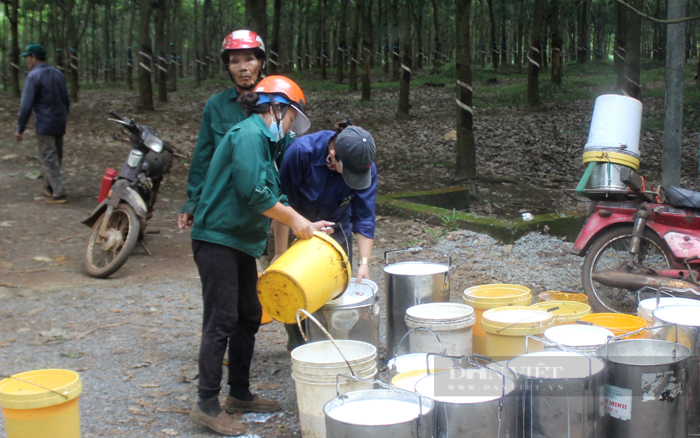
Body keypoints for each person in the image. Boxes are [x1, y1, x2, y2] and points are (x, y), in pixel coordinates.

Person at [187, 75, 332, 436]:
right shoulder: (249, 135)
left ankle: (239, 394)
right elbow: (254, 194)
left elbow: (274, 195)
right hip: (217, 238)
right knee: (221, 320)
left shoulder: (266, 144)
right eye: (290, 118)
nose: (291, 129)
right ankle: (206, 404)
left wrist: (306, 223)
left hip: (240, 242)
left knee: (249, 314)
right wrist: (298, 221)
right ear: (276, 108)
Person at [274, 121, 377, 350]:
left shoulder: (363, 163)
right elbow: (281, 204)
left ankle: (331, 343)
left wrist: (364, 263)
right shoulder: (301, 152)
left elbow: (365, 217)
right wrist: (280, 252)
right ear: (333, 155)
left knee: (333, 290)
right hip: (296, 226)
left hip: (336, 230)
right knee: (293, 290)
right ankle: (298, 340)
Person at [178, 29, 266, 229]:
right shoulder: (216, 105)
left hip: (267, 206)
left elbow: (288, 157)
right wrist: (193, 201)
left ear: (260, 62)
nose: (243, 67)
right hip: (224, 205)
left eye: (249, 59)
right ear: (228, 67)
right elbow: (203, 156)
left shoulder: (276, 102)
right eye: (235, 61)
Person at [14, 43, 70, 204]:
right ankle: (50, 186)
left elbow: (26, 105)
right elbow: (66, 99)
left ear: (33, 57)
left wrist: (20, 128)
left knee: (49, 157)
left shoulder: (33, 76)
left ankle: (59, 192)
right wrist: (63, 116)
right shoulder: (57, 73)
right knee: (55, 156)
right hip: (58, 122)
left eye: (27, 58)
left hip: (45, 123)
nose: (26, 61)